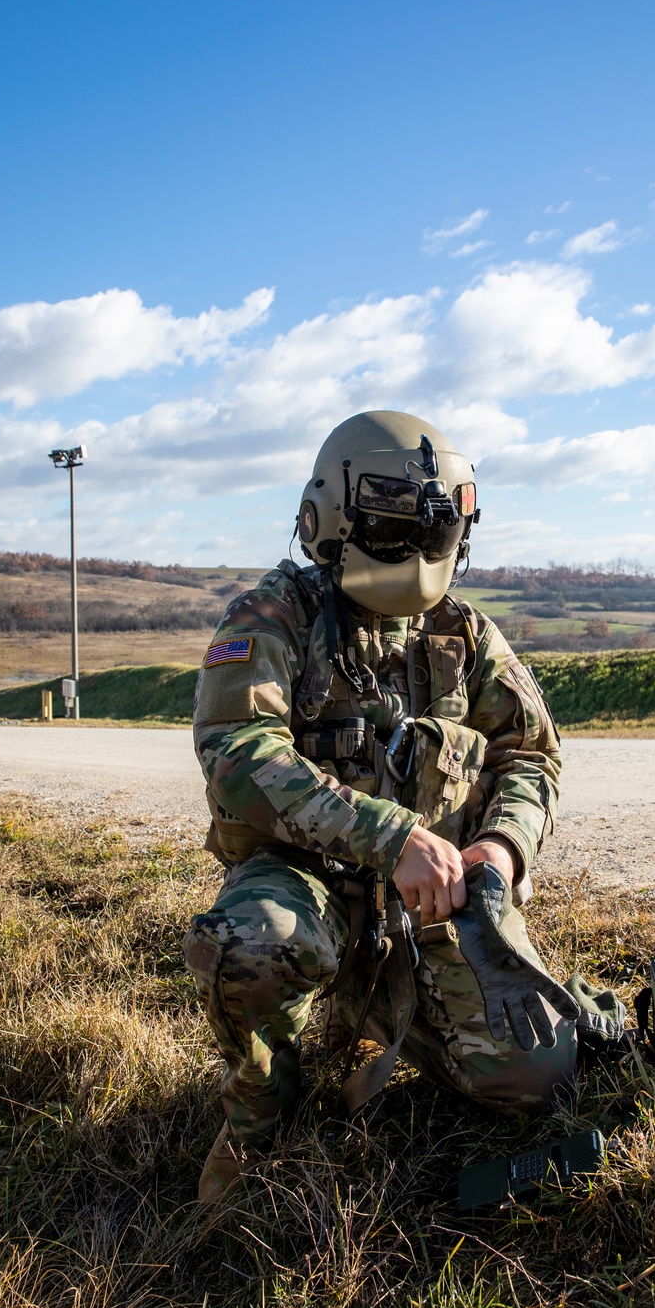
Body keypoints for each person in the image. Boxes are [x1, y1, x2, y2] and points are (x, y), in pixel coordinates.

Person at [184, 410, 580, 1203]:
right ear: (332, 518)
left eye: (432, 524)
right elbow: (238, 754)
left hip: (436, 903)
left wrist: (500, 849)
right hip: (309, 884)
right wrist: (391, 836)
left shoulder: (465, 635)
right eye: (395, 521)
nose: (417, 542)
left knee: (535, 1078)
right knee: (250, 945)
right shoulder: (273, 619)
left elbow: (530, 756)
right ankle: (261, 1120)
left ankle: (391, 1013)